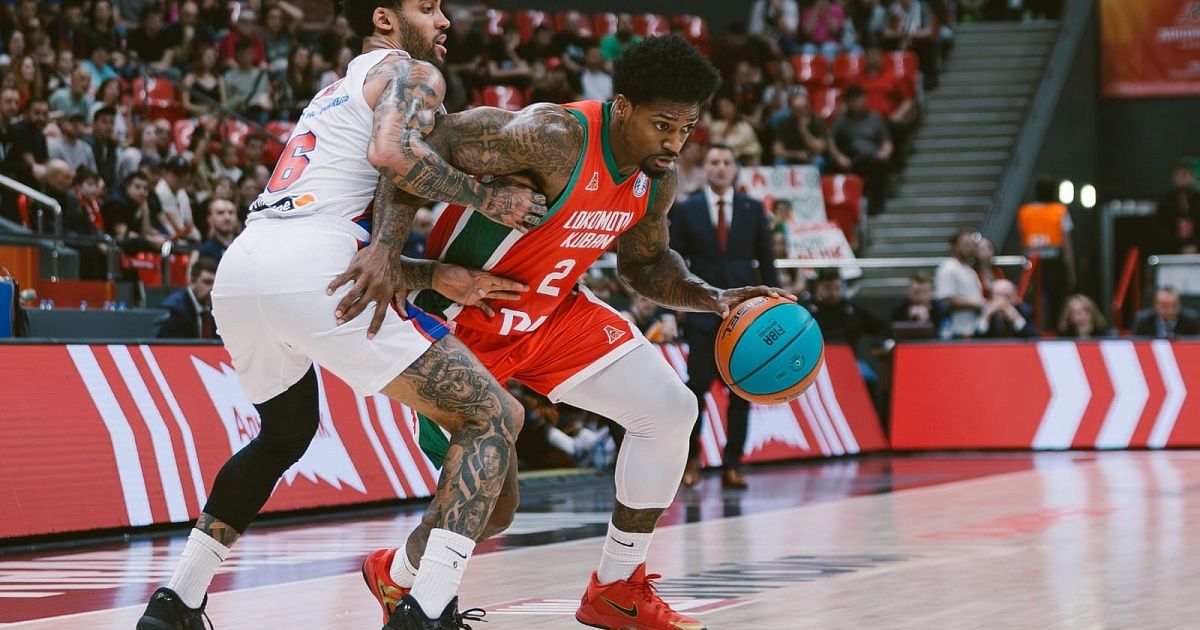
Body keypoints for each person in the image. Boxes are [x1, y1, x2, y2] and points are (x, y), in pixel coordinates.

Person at [352, 35, 786, 630]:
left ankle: (617, 587)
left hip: (552, 315)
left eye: (686, 128)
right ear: (623, 107)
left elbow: (646, 265)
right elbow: (422, 146)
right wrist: (386, 251)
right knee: (493, 512)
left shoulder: (655, 177)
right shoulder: (552, 136)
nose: (674, 143)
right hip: (462, 323)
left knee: (670, 410)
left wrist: (713, 298)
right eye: (663, 125)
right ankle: (398, 572)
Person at [136, 2, 546, 628]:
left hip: (243, 266)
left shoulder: (333, 93)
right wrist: (489, 197)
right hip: (312, 265)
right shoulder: (410, 72)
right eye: (427, 7)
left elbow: (340, 228)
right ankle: (428, 610)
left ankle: (177, 601)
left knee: (283, 435)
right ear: (384, 19)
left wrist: (432, 275)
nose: (443, 21)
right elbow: (394, 156)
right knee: (493, 415)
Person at [670, 143, 778, 490]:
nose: (720, 167)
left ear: (735, 168)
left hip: (745, 316)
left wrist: (775, 304)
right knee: (696, 390)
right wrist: (674, 307)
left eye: (726, 162)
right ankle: (691, 459)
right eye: (714, 162)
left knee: (741, 392)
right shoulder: (686, 209)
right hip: (703, 313)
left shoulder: (753, 208)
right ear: (706, 169)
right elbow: (674, 261)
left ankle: (733, 464)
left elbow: (767, 261)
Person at [1017, 177, 1075, 329]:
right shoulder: (1060, 210)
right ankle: (1055, 329)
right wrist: (1070, 271)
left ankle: (1035, 328)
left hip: (1033, 259)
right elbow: (1067, 245)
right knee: (1056, 300)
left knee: (1034, 298)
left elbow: (1022, 241)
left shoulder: (1025, 211)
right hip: (1054, 260)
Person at [829, 84, 892, 214]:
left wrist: (884, 153)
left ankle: (876, 207)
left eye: (859, 99)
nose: (857, 103)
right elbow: (831, 142)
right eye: (853, 100)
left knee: (881, 165)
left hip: (871, 158)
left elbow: (886, 142)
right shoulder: (841, 121)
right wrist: (839, 156)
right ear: (848, 102)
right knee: (831, 166)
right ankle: (840, 206)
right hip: (851, 158)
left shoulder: (875, 118)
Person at [935, 229, 985, 337]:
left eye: (972, 245)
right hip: (956, 329)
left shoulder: (970, 270)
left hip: (973, 326)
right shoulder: (948, 268)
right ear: (955, 247)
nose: (970, 248)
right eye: (966, 244)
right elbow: (946, 299)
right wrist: (978, 303)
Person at [157, 257, 219, 339]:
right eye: (207, 282)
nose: (212, 288)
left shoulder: (216, 309)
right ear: (192, 281)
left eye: (216, 283)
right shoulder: (175, 311)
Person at [1157, 162, 1200, 254]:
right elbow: (1161, 230)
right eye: (1180, 175)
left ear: (1193, 178)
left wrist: (1196, 247)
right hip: (1171, 250)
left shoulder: (1198, 200)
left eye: (1186, 174)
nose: (1183, 178)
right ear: (1173, 178)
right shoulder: (1165, 202)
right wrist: (1178, 247)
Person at [1132, 287, 1200, 339]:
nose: (1170, 310)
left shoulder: (1191, 320)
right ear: (1156, 306)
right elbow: (1137, 343)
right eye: (1165, 306)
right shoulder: (1142, 320)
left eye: (1174, 305)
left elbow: (1195, 343)